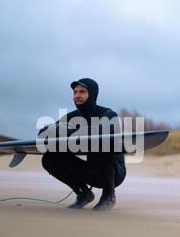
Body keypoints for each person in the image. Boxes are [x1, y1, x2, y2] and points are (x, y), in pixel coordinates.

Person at [40, 78, 126, 211]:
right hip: (92, 171)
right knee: (49, 159)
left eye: (82, 92)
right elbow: (43, 133)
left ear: (92, 94)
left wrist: (66, 131)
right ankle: (83, 193)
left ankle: (109, 195)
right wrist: (57, 129)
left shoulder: (108, 114)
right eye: (75, 92)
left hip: (114, 174)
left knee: (98, 144)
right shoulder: (71, 117)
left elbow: (100, 131)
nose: (77, 95)